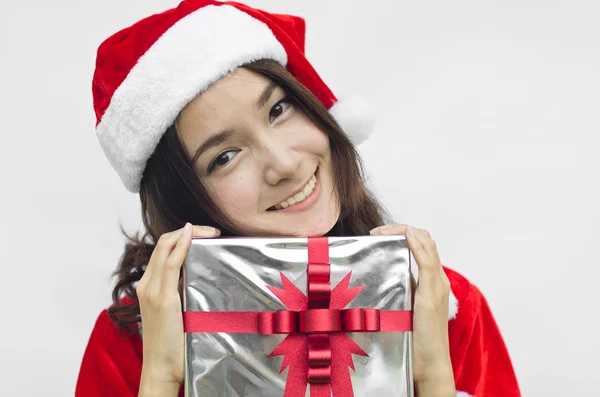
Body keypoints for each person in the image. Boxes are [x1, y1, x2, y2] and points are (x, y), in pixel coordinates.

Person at [75, 1, 521, 396]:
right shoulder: (132, 339)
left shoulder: (442, 303)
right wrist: (162, 377)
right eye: (225, 156)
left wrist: (430, 375)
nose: (284, 165)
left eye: (278, 110)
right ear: (186, 201)